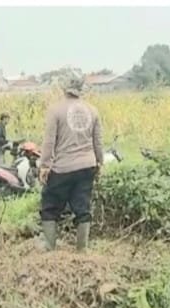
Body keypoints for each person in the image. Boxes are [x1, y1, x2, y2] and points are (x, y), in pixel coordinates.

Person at [39, 74, 104, 252]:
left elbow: (49, 142)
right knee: (82, 207)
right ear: (81, 89)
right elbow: (98, 142)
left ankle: (50, 247)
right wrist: (100, 162)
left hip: (63, 167)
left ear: (64, 88)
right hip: (87, 165)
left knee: (50, 206)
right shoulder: (92, 110)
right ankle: (82, 249)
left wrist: (44, 166)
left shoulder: (55, 110)